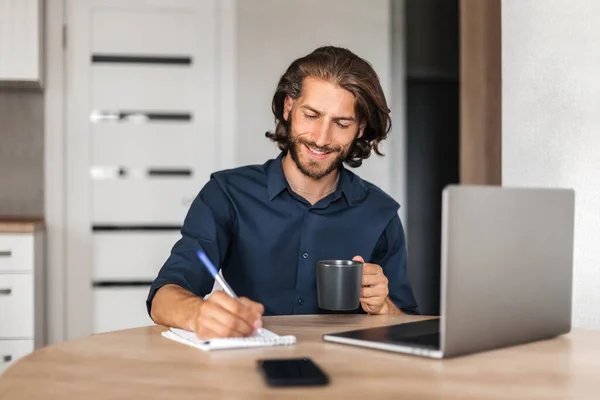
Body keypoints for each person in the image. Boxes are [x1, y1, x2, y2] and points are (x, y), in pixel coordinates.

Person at [147, 46, 419, 339]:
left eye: (341, 123)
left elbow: (412, 329)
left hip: (346, 374)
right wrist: (199, 313)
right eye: (312, 115)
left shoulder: (380, 213)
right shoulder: (227, 194)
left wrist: (385, 308)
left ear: (360, 128)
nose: (321, 138)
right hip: (249, 365)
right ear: (289, 107)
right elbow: (164, 297)